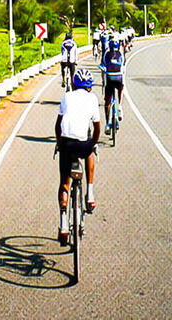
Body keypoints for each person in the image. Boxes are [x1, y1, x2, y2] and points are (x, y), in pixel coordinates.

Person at [55, 68, 101, 243]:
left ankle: (64, 224)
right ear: (90, 87)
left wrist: (60, 143)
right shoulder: (92, 98)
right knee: (89, 152)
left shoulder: (67, 96)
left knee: (64, 183)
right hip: (83, 144)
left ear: (74, 84)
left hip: (66, 143)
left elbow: (58, 125)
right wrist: (93, 143)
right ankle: (90, 193)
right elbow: (97, 126)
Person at [101, 39, 125, 126]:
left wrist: (103, 83)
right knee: (121, 89)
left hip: (109, 78)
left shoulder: (106, 53)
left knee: (107, 101)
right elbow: (123, 65)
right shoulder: (120, 53)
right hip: (119, 77)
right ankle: (120, 106)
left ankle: (107, 123)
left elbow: (102, 66)